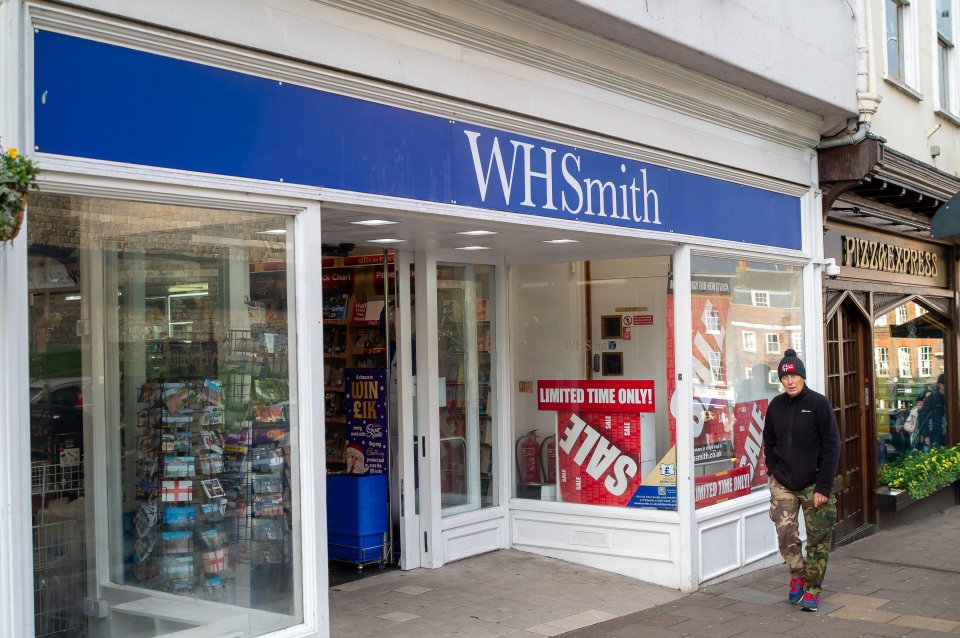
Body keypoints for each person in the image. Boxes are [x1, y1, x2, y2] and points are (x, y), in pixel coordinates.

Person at [762, 349, 840, 612]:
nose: (790, 381)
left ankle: (813, 589)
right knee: (786, 535)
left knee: (819, 538)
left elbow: (832, 446)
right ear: (780, 380)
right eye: (785, 377)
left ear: (802, 376)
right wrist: (773, 470)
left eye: (794, 375)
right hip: (783, 482)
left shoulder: (818, 404)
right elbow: (769, 441)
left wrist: (824, 486)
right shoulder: (776, 406)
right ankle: (797, 577)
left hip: (814, 484)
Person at [916, 374, 946, 450]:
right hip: (936, 436)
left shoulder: (953, 396)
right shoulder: (931, 399)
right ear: (940, 385)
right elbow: (922, 416)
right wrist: (926, 435)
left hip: (952, 435)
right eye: (946, 384)